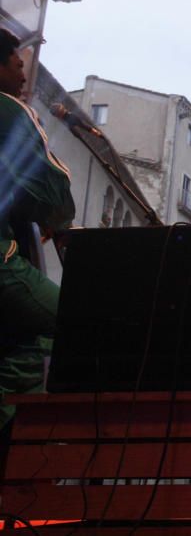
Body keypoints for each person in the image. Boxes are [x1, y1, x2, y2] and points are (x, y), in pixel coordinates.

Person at [0, 29, 75, 476]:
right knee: (70, 326)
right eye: (17, 63)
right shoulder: (8, 110)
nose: (23, 73)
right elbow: (53, 194)